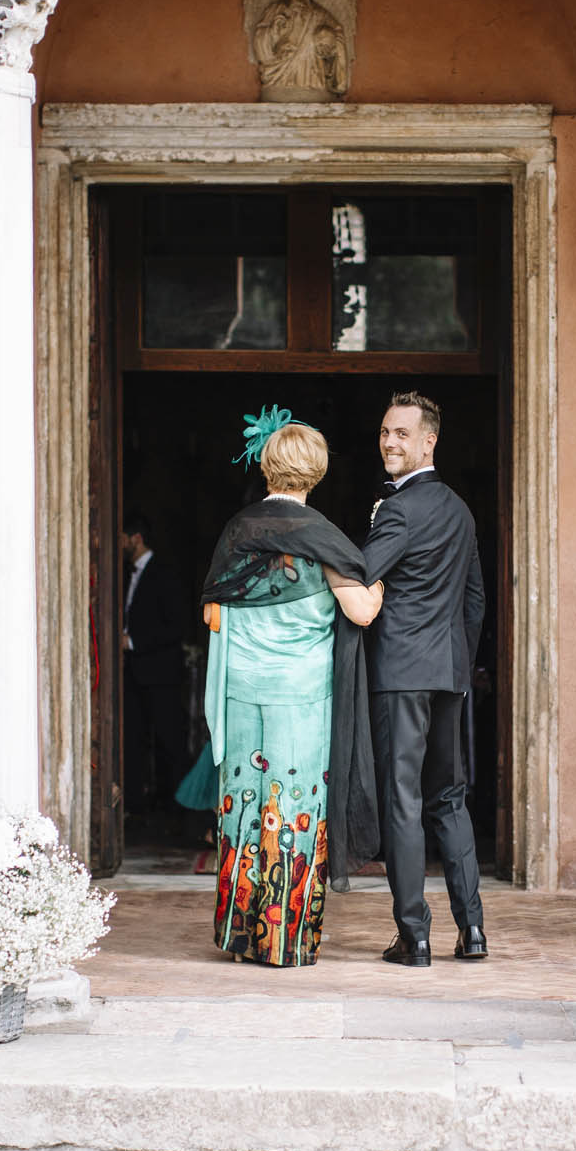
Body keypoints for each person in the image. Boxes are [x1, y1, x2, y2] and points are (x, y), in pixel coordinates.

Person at [199, 410, 382, 966]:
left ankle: (239, 935)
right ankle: (284, 941)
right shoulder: (322, 538)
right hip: (300, 695)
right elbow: (363, 611)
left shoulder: (237, 531)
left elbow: (214, 611)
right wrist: (379, 570)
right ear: (318, 473)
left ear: (266, 465)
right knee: (293, 809)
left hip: (241, 688)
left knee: (243, 810)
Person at [364, 392, 487, 968]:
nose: (390, 442)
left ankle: (414, 937)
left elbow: (365, 576)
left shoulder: (397, 511)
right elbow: (475, 602)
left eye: (402, 434)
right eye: (386, 432)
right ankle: (474, 930)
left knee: (403, 800)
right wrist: (458, 663)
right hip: (449, 672)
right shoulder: (461, 510)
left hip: (400, 673)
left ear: (428, 442)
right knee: (450, 799)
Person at [121, 513, 189, 831]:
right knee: (132, 739)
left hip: (161, 674)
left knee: (168, 740)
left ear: (136, 538)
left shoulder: (164, 574)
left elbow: (176, 626)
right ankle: (136, 805)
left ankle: (174, 809)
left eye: (122, 537)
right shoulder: (123, 574)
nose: (118, 544)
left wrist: (132, 641)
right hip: (131, 674)